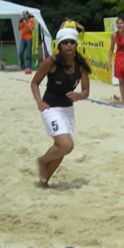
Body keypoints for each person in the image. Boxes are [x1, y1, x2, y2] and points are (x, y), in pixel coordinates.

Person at [30, 28, 91, 188]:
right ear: (59, 45)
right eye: (65, 42)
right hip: (50, 108)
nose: (69, 45)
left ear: (76, 44)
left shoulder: (80, 64)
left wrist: (79, 95)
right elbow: (34, 83)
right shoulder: (51, 62)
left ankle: (44, 182)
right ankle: (42, 161)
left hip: (67, 110)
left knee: (62, 149)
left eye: (72, 42)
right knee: (66, 145)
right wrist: (39, 102)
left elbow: (86, 91)